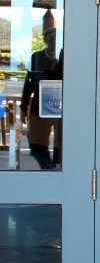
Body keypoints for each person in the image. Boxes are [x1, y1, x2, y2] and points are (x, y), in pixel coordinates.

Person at [20, 27, 60, 169]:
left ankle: (59, 168)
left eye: (56, 38)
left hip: (62, 104)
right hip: (40, 103)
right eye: (51, 38)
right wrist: (24, 107)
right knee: (36, 143)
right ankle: (48, 168)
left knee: (61, 143)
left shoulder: (65, 56)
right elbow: (30, 81)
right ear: (45, 40)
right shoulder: (37, 57)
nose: (54, 42)